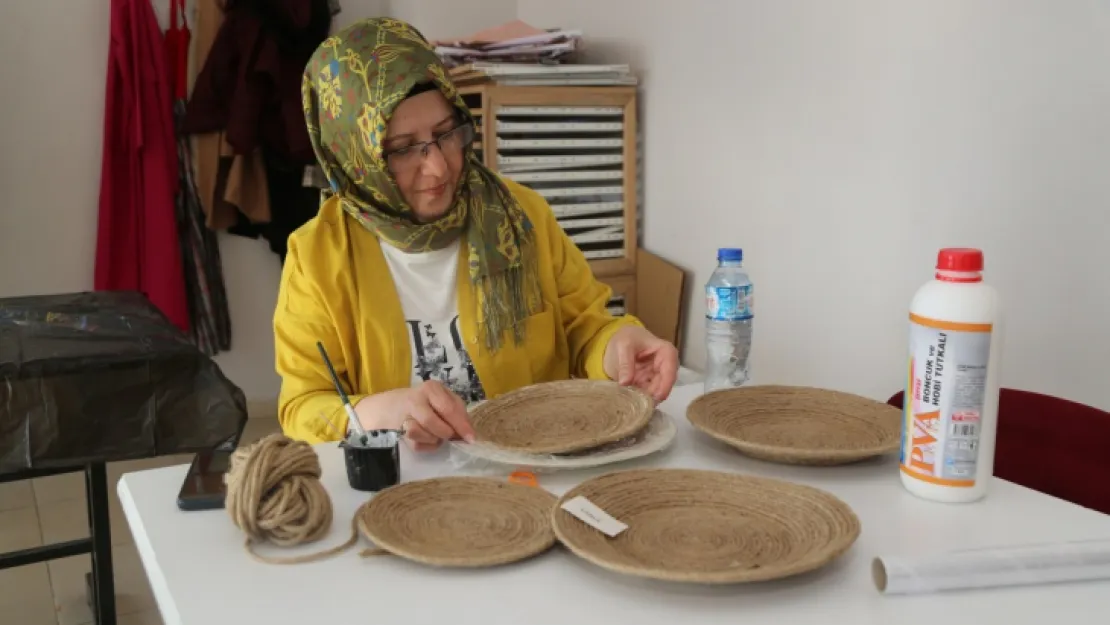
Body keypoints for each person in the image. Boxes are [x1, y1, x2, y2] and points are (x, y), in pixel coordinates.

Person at [273, 17, 679, 451]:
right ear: (354, 158)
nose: (439, 167)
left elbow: (585, 326)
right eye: (403, 149)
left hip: (533, 462)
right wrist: (378, 412)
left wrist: (617, 345)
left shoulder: (520, 215)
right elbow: (302, 406)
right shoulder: (317, 256)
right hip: (408, 488)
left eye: (447, 133)